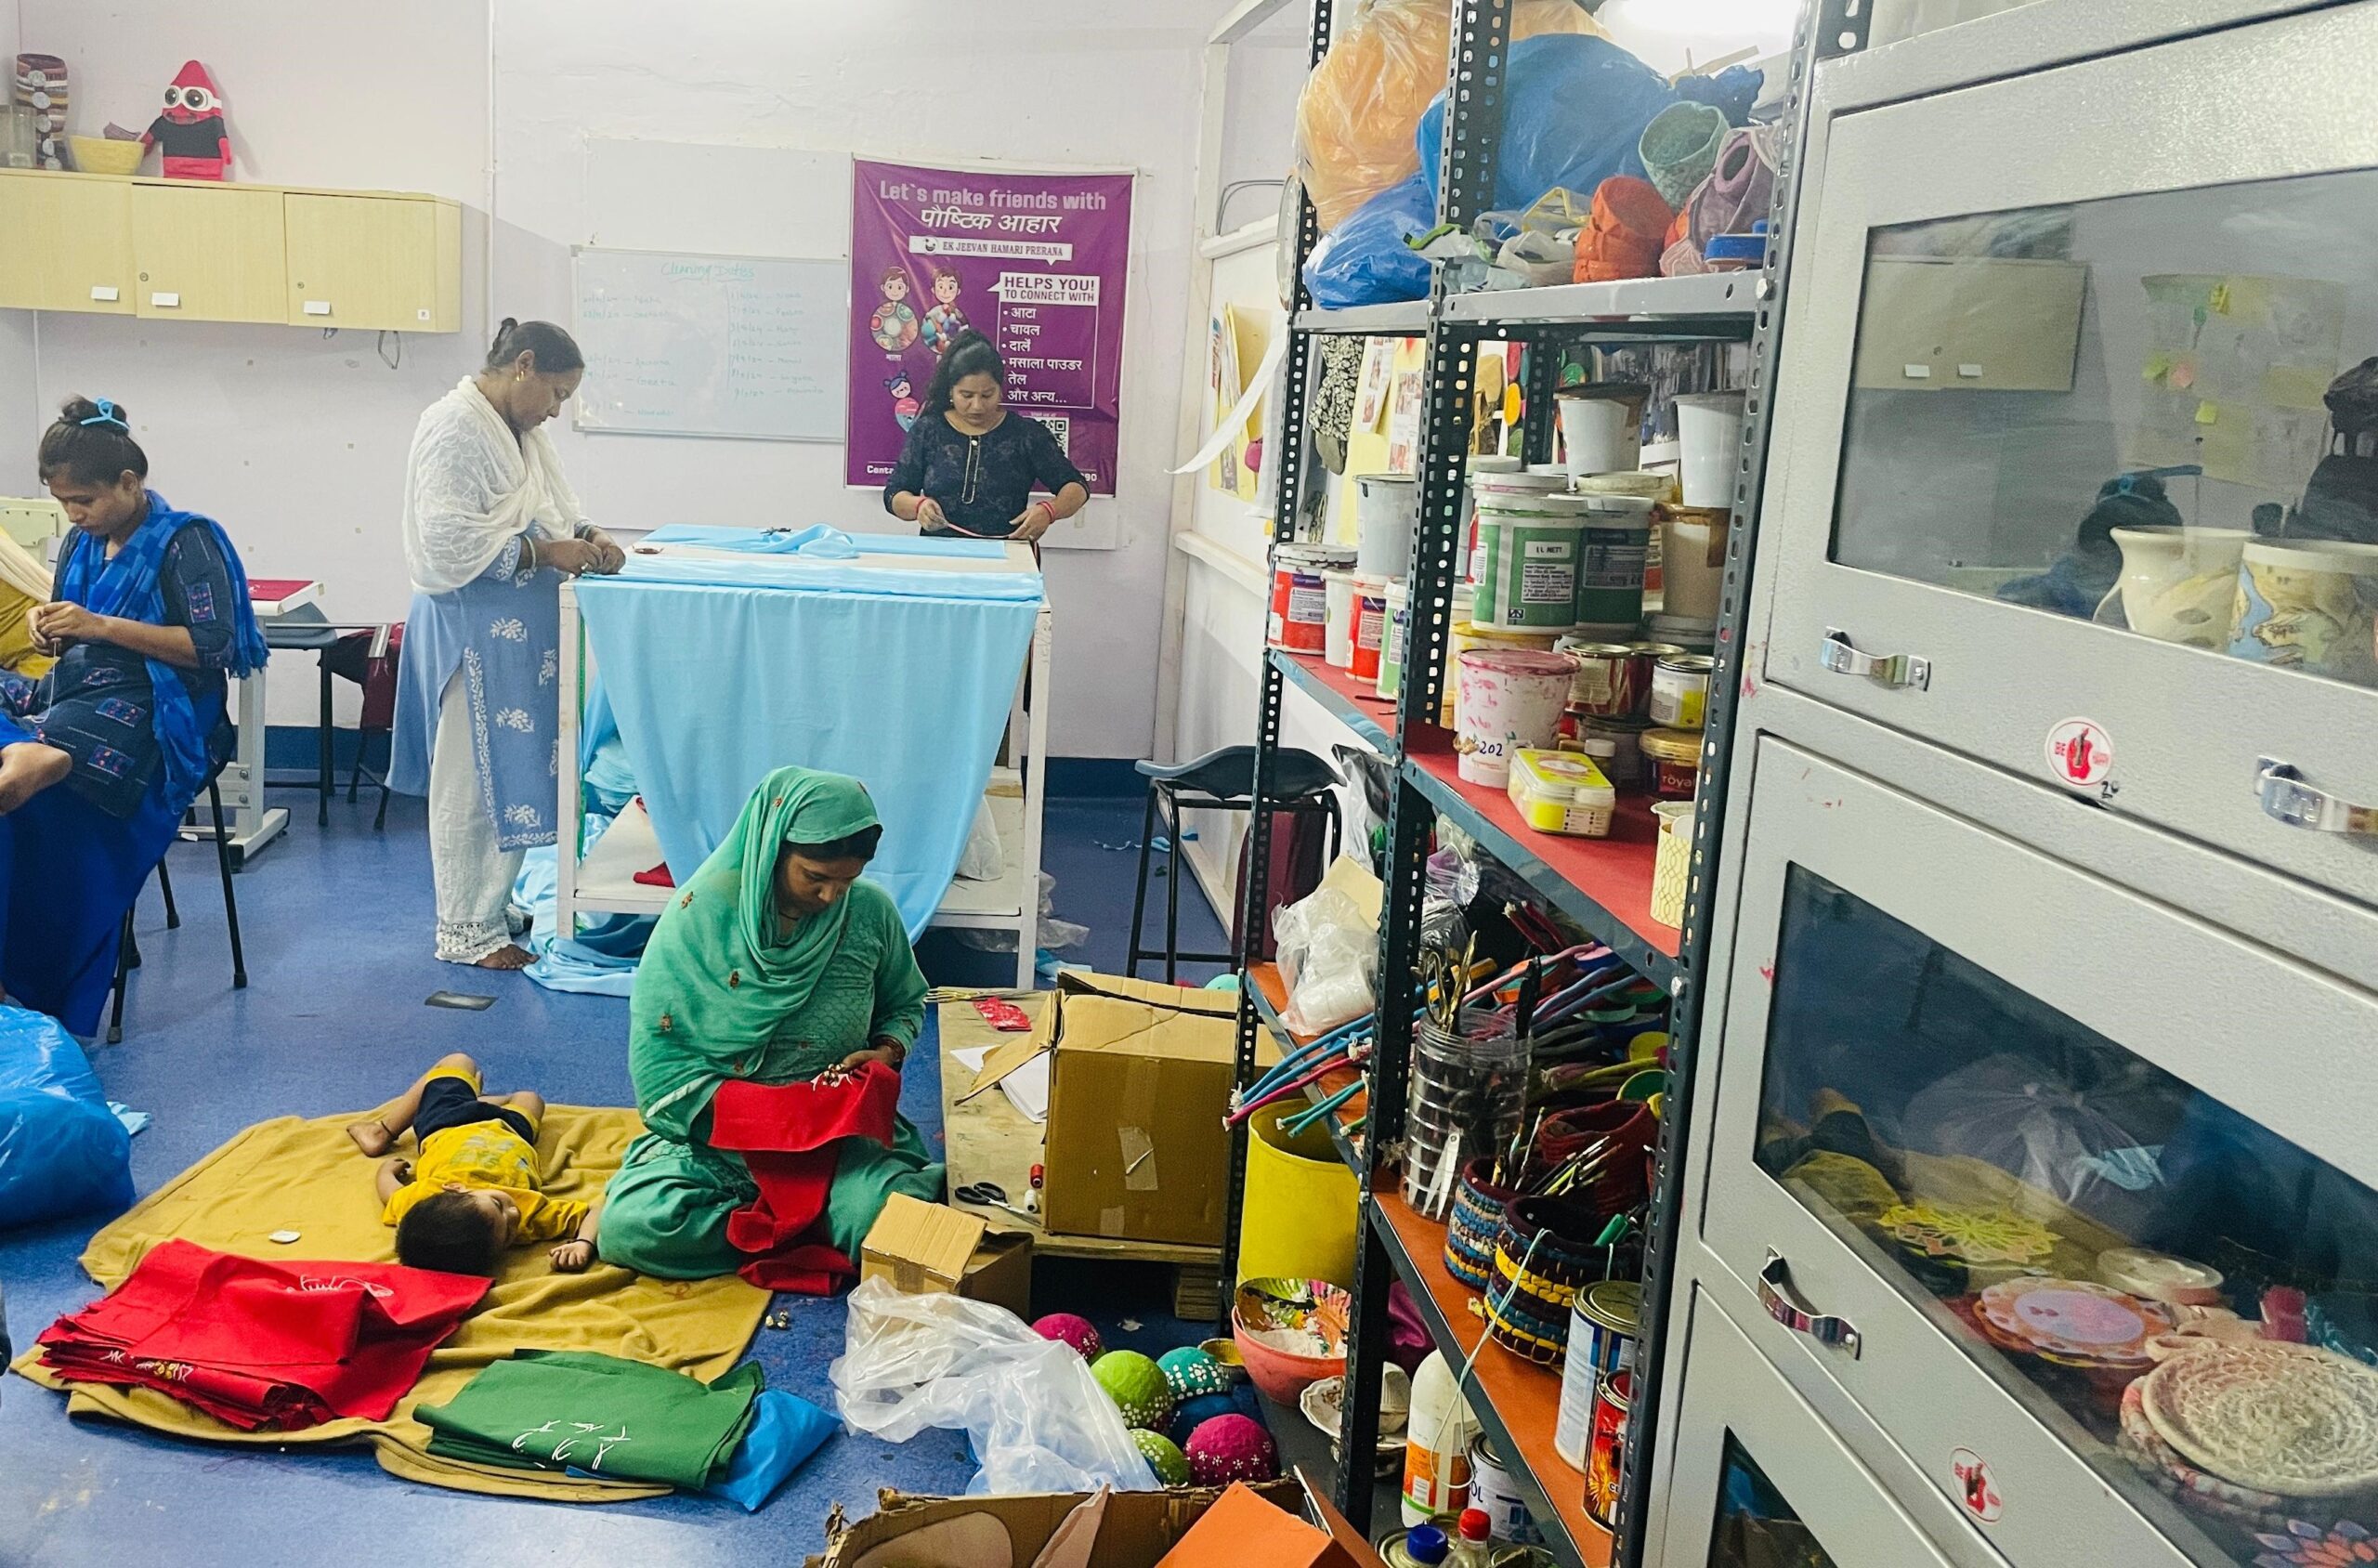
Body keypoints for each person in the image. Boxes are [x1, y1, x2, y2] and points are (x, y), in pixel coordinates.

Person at [599, 767, 941, 1279]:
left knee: (887, 1221)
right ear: (772, 850)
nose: (830, 897)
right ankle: (796, 1226)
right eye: (815, 878)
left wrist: (887, 1050)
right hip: (722, 1145)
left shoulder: (869, 913)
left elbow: (905, 1002)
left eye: (846, 881)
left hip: (836, 1140)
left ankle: (804, 1218)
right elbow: (662, 1057)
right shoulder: (702, 916)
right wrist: (757, 1118)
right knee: (633, 1228)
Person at [0, 397, 268, 1036]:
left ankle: (45, 755)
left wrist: (98, 626)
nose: (74, 514)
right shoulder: (82, 543)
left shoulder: (187, 541)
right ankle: (35, 752)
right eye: (63, 502)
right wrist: (48, 627)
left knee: (55, 771)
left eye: (83, 500)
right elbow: (71, 630)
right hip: (80, 685)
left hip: (169, 702)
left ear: (128, 482)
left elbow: (215, 647)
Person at [389, 320, 627, 970]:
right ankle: (465, 929)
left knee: (512, 772)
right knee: (472, 782)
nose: (556, 411)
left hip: (518, 643)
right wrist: (548, 553)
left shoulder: (518, 432)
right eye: (556, 393)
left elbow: (550, 506)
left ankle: (491, 905)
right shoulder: (453, 427)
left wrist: (591, 536)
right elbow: (444, 540)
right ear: (523, 365)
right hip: (473, 635)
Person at [350, 1052, 600, 1275]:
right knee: (530, 1098)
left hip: (448, 1123)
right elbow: (593, 1212)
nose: (513, 1213)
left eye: (498, 1204)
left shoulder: (423, 1201)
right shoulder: (531, 1215)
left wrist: (386, 1172)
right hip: (511, 1130)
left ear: (455, 1188)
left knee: (458, 1060)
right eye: (509, 1234)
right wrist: (584, 1243)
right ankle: (481, 1101)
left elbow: (393, 1196)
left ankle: (382, 1131)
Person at [882, 331, 1091, 542]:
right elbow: (894, 494)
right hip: (939, 555)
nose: (977, 406)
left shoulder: (1026, 434)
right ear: (951, 391)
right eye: (966, 395)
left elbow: (1076, 486)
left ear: (1000, 390)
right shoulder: (928, 430)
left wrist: (1049, 511)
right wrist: (918, 506)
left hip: (1008, 554)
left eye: (987, 395)